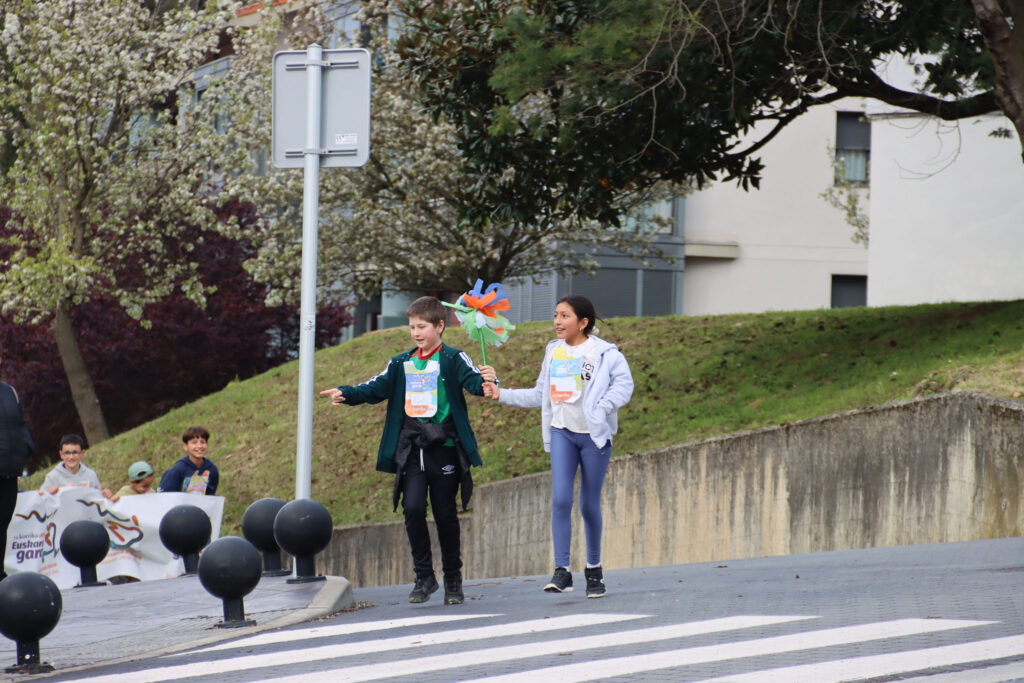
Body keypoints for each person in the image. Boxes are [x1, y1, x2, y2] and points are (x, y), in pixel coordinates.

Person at [320, 296, 496, 605]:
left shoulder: (454, 358)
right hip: (412, 449)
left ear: (440, 326)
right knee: (412, 508)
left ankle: (453, 579)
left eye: (422, 326)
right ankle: (424, 576)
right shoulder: (401, 363)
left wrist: (488, 381)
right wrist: (346, 393)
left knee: (445, 513)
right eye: (412, 326)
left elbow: (473, 383)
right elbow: (375, 387)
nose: (416, 332)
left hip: (444, 447)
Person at [482, 294, 633, 598]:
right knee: (561, 499)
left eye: (565, 316)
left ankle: (594, 570)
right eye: (555, 315)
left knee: (588, 504)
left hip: (593, 437)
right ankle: (562, 571)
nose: (557, 322)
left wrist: (602, 408)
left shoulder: (606, 353)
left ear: (583, 322)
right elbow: (540, 394)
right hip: (562, 432)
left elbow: (624, 385)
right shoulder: (554, 351)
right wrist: (501, 393)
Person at [1, 355, 35, 581]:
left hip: (10, 470)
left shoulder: (9, 392)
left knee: (2, 524)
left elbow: (21, 424)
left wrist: (27, 448)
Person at [41, 434, 112, 498]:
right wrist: (48, 494)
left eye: (75, 452)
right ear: (61, 454)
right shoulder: (52, 477)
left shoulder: (91, 475)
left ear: (82, 453)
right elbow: (41, 500)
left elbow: (100, 501)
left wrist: (106, 496)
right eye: (67, 453)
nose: (71, 457)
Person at [158, 426, 219, 495]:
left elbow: (211, 495)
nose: (199, 446)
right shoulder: (178, 469)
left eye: (202, 442)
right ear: (185, 446)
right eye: (194, 442)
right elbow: (164, 496)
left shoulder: (212, 469)